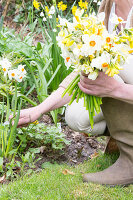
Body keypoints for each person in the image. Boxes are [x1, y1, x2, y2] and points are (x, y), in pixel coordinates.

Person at [16, 0, 133, 186]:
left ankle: (130, 164)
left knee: (120, 59)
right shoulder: (107, 8)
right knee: (77, 116)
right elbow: (86, 70)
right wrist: (38, 110)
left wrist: (116, 89)